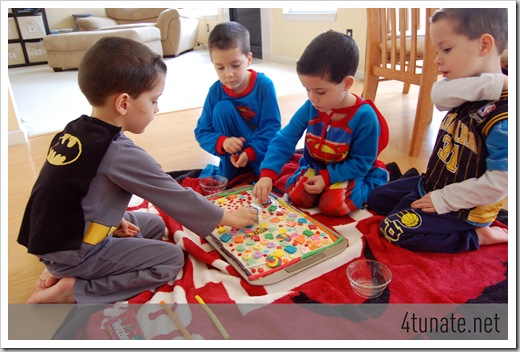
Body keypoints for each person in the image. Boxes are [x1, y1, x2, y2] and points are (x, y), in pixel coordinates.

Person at [18, 37, 257, 304]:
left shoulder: (75, 129)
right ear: (123, 103)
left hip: (55, 239)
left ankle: (61, 266)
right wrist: (229, 218)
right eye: (154, 100)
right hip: (74, 249)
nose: (157, 108)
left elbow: (71, 191)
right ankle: (72, 290)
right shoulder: (119, 152)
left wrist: (112, 217)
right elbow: (175, 196)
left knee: (153, 224)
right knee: (170, 259)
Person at [367, 8, 508, 253]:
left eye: (447, 49)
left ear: (484, 45)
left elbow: (501, 183)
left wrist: (443, 200)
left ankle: (478, 236)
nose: (437, 60)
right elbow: (438, 95)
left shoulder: (505, 117)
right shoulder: (465, 85)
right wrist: (495, 82)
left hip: (462, 207)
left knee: (394, 228)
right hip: (432, 183)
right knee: (375, 197)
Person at [253, 30, 389, 217]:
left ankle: (375, 179)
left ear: (347, 83)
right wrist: (267, 174)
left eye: (320, 92)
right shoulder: (311, 106)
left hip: (351, 171)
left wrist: (327, 178)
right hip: (318, 166)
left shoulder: (364, 116)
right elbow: (285, 138)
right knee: (298, 197)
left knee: (333, 206)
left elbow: (361, 162)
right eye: (307, 90)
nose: (312, 98)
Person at [194, 21, 282, 181]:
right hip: (231, 160)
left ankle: (253, 169)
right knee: (222, 108)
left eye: (235, 65)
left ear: (248, 59)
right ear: (213, 64)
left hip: (259, 155)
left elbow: (272, 128)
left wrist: (250, 153)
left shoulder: (264, 86)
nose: (228, 74)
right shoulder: (216, 91)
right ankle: (231, 171)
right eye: (220, 68)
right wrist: (223, 142)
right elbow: (202, 131)